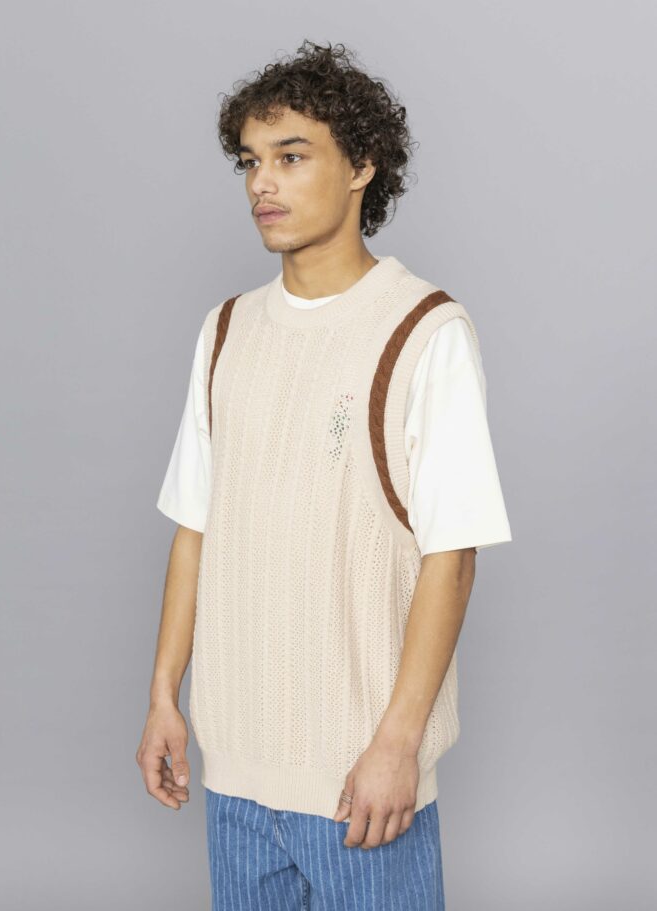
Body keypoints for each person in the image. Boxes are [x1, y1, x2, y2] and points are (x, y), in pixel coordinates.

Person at [136, 39, 512, 909]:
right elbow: (194, 528)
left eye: (291, 156)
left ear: (362, 166)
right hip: (233, 778)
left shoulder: (423, 330)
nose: (261, 184)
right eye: (250, 161)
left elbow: (451, 557)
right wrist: (163, 697)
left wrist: (398, 745)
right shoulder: (225, 330)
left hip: (359, 780)